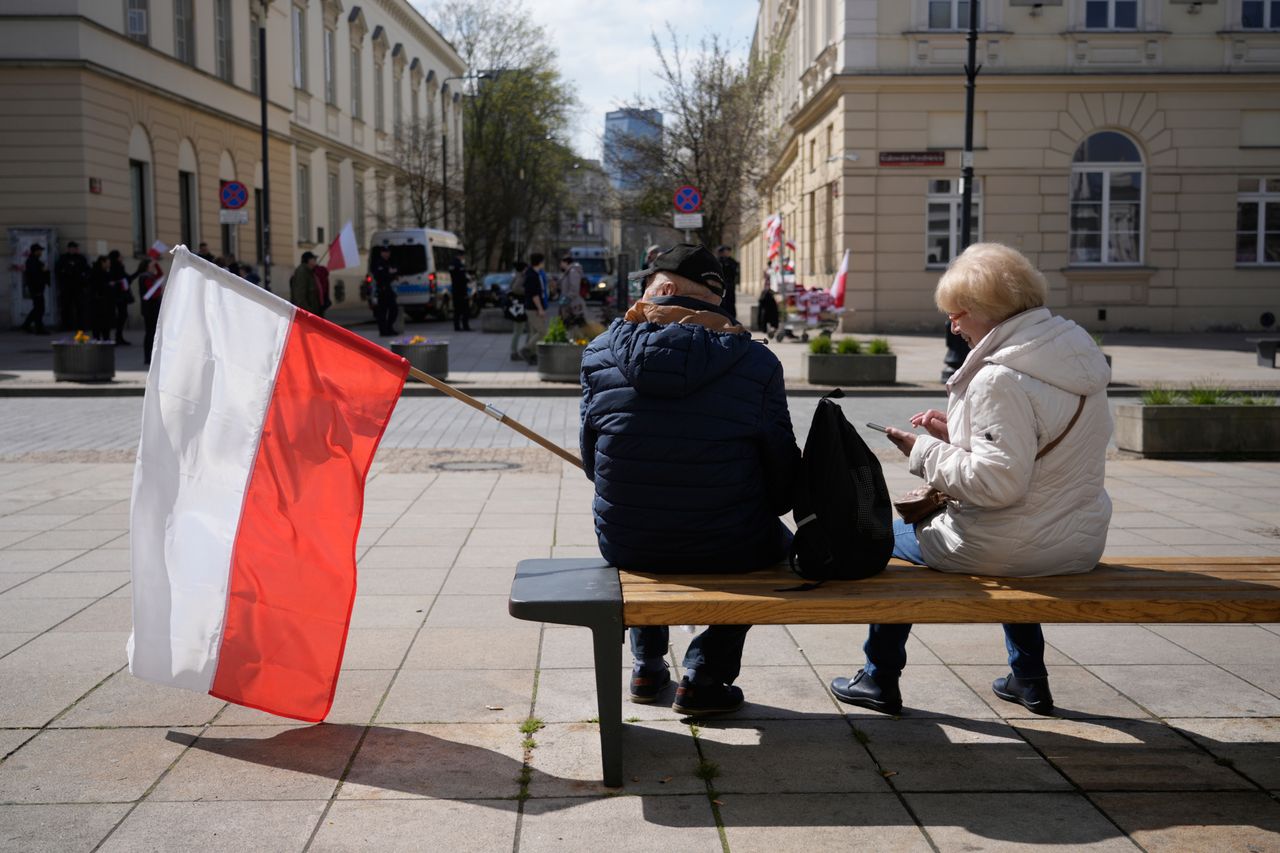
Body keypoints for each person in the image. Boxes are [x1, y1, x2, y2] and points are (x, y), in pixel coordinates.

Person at [829, 242, 1112, 717]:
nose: (952, 325)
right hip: (1078, 539)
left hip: (1014, 544)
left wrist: (923, 450)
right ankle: (1029, 679)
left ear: (985, 310)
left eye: (955, 314)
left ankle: (878, 677)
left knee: (890, 536)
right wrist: (958, 433)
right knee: (1016, 536)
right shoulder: (1072, 358)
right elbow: (1037, 455)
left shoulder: (998, 377)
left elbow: (999, 484)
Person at [580, 243, 800, 715]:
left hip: (627, 541)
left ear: (664, 289)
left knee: (645, 517)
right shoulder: (758, 364)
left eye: (646, 283)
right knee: (771, 546)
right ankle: (704, 676)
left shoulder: (599, 353)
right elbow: (782, 476)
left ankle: (646, 665)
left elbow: (592, 463)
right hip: (730, 544)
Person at [519, 253, 548, 364]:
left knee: (535, 331)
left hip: (533, 307)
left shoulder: (534, 273)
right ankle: (526, 350)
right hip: (533, 308)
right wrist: (540, 309)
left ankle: (532, 355)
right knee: (542, 332)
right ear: (540, 262)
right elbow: (534, 295)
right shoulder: (532, 275)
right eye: (543, 262)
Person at [135, 256, 165, 365]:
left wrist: (156, 263)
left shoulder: (151, 275)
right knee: (150, 333)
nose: (154, 267)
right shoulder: (145, 276)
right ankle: (148, 358)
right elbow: (152, 294)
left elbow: (161, 274)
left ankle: (151, 357)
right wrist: (159, 290)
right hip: (149, 309)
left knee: (152, 333)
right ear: (147, 266)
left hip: (152, 308)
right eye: (152, 265)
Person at [55, 241, 91, 330]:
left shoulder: (81, 258)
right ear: (68, 249)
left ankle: (81, 326)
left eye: (75, 248)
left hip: (78, 286)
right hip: (66, 286)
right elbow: (58, 271)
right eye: (72, 248)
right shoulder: (63, 258)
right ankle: (66, 325)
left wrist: (84, 280)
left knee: (80, 307)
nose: (73, 250)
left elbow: (87, 270)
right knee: (65, 307)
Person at [369, 244, 399, 336]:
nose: (386, 254)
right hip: (381, 291)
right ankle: (383, 331)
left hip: (388, 290)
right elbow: (380, 276)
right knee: (382, 312)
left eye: (388, 252)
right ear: (381, 253)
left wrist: (391, 274)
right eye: (385, 252)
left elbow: (394, 274)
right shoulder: (378, 263)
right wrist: (389, 273)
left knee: (394, 309)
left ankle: (389, 328)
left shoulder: (389, 262)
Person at [21, 243, 50, 334]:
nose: (41, 252)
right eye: (40, 250)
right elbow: (35, 276)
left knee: (37, 308)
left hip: (37, 288)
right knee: (39, 309)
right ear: (35, 251)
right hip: (36, 288)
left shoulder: (35, 260)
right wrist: (44, 271)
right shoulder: (33, 261)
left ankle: (26, 325)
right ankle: (39, 329)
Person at [107, 250, 133, 345]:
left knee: (122, 316)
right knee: (121, 316)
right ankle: (117, 337)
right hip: (119, 297)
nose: (122, 258)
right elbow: (125, 279)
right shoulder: (116, 268)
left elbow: (127, 279)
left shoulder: (117, 267)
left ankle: (119, 336)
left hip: (120, 297)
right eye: (120, 256)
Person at [88, 255, 114, 342]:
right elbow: (96, 286)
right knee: (99, 323)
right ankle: (99, 339)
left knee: (104, 323)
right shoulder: (96, 272)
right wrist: (108, 285)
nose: (109, 264)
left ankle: (104, 338)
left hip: (104, 302)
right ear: (102, 262)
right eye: (108, 263)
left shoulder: (105, 272)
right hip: (98, 302)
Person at [506, 260, 529, 361]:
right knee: (518, 331)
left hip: (517, 307)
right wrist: (527, 291)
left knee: (518, 330)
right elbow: (516, 288)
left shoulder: (516, 275)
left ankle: (515, 351)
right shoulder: (521, 276)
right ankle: (514, 352)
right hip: (520, 308)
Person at [716, 245, 740, 320]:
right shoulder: (718, 261)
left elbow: (735, 272)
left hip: (730, 285)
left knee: (730, 302)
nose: (727, 253)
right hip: (721, 285)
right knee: (722, 302)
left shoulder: (731, 262)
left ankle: (732, 318)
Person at [450, 249, 471, 331]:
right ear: (461, 256)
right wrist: (468, 279)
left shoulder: (452, 264)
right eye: (463, 256)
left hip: (455, 290)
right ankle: (465, 326)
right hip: (461, 291)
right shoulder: (459, 265)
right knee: (465, 310)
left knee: (457, 310)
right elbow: (462, 278)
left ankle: (457, 326)